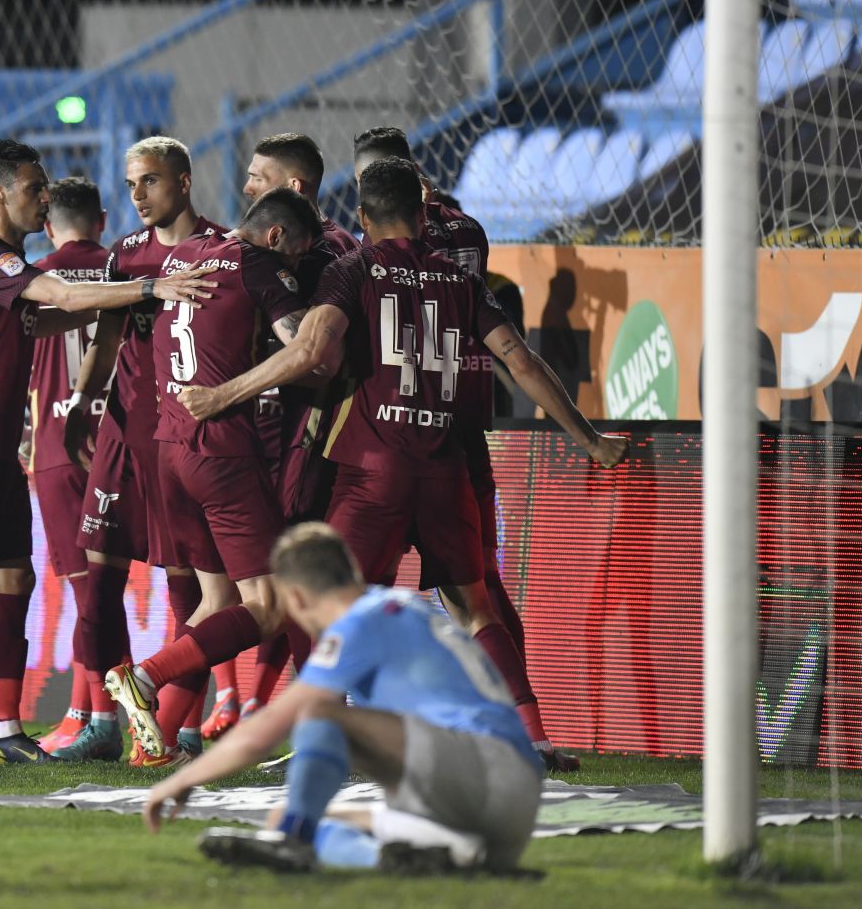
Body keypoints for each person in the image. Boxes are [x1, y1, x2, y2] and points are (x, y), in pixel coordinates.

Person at [174, 157, 628, 772]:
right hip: (446, 468)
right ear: (421, 214)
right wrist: (589, 438)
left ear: (362, 218)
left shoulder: (352, 269)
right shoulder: (461, 281)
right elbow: (519, 361)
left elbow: (309, 350)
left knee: (314, 597)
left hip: (372, 472)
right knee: (474, 608)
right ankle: (534, 738)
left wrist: (220, 395)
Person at [0, 138, 218, 766]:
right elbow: (64, 300)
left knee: (15, 578)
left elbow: (46, 320)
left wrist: (120, 313)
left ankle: (3, 729)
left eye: (46, 187)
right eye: (33, 188)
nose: (44, 197)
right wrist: (146, 291)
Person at [352, 127, 576, 770]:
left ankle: (351, 730)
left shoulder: (368, 257)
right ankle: (527, 729)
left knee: (349, 592)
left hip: (385, 441)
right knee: (480, 591)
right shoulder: (468, 234)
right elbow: (512, 353)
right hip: (462, 433)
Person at [143, 523, 544, 874]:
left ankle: (292, 841)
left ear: (296, 597)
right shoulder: (399, 610)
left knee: (320, 715)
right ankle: (432, 856)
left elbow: (269, 727)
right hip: (506, 804)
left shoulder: (362, 619)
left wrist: (183, 779)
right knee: (291, 816)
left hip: (480, 773)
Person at [103, 187, 321, 765]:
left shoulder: (187, 254)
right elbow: (305, 350)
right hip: (222, 452)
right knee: (270, 605)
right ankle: (145, 676)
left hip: (168, 451)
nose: (295, 263)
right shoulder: (261, 266)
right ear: (276, 236)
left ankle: (157, 743)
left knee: (216, 598)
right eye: (298, 251)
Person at [54, 136, 227, 765]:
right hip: (123, 434)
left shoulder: (219, 250)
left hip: (184, 439)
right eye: (130, 184)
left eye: (149, 181)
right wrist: (81, 405)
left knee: (192, 592)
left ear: (183, 180)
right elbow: (105, 341)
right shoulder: (125, 255)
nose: (137, 196)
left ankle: (173, 727)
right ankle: (113, 717)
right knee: (98, 580)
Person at [200, 133, 361, 742]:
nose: (245, 188)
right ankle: (276, 711)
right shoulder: (246, 254)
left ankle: (322, 721)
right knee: (270, 582)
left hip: (307, 429)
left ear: (293, 190)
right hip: (260, 433)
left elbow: (317, 358)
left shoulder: (327, 255)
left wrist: (224, 393)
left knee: (291, 576)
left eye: (256, 176)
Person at [21, 176, 123, 756]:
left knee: (88, 592)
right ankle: (85, 710)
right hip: (120, 441)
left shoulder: (34, 278)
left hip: (60, 444)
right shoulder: (128, 268)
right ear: (102, 219)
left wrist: (24, 436)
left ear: (47, 222)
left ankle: (101, 719)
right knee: (125, 583)